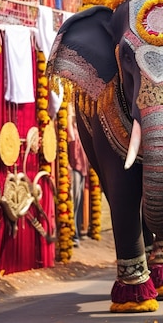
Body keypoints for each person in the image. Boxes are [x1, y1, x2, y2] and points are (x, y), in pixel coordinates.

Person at [68, 103, 89, 247]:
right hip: (74, 169)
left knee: (79, 200)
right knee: (74, 202)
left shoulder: (82, 130)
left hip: (82, 169)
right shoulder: (71, 130)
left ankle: (78, 232)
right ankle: (73, 235)